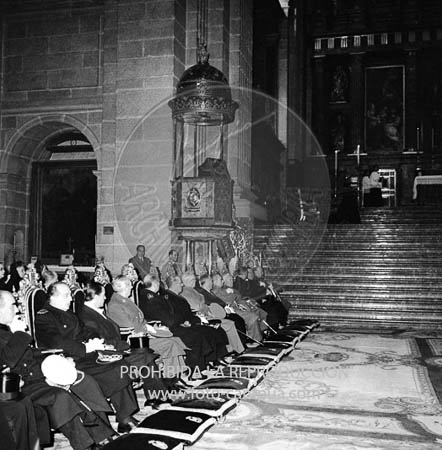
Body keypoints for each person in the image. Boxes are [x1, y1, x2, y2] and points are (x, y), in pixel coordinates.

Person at [0, 290, 117, 449]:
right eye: (13, 305)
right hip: (19, 386)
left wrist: (58, 358)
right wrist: (19, 333)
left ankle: (103, 434)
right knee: (60, 397)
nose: (17, 309)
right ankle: (85, 445)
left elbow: (31, 353)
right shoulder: (12, 331)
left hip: (38, 374)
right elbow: (7, 360)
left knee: (84, 381)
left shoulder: (7, 329)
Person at [34, 282, 139, 434]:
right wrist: (84, 348)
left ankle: (124, 416)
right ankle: (112, 423)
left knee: (119, 364)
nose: (70, 299)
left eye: (70, 295)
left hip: (85, 356)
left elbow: (84, 330)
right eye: (66, 296)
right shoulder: (45, 316)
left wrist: (95, 339)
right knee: (113, 371)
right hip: (67, 360)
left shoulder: (69, 313)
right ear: (53, 297)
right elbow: (56, 341)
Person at [77, 281, 172, 407]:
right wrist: (126, 344)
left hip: (116, 348)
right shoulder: (86, 316)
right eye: (103, 295)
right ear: (96, 296)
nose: (105, 298)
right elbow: (101, 341)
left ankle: (155, 397)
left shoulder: (94, 311)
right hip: (106, 355)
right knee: (145, 355)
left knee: (145, 354)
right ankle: (157, 397)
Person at [138, 273, 226, 372]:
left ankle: (206, 363)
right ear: (155, 283)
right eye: (158, 282)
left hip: (173, 325)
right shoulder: (151, 299)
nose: (159, 284)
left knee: (206, 331)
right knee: (196, 336)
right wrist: (182, 322)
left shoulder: (153, 297)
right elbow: (167, 319)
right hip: (167, 329)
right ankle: (194, 369)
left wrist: (185, 321)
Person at [107, 275, 187, 378]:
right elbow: (129, 327)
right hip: (134, 341)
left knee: (174, 339)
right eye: (129, 285)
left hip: (142, 335)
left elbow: (141, 319)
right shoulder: (115, 305)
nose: (131, 287)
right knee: (170, 343)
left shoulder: (126, 301)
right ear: (122, 287)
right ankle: (173, 377)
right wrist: (149, 329)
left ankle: (178, 374)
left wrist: (155, 327)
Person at [181, 272, 244, 354]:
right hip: (202, 318)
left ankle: (237, 349)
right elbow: (197, 307)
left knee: (230, 323)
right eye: (193, 280)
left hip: (207, 314)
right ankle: (234, 350)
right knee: (227, 324)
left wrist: (206, 307)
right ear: (188, 281)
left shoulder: (193, 290)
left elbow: (202, 304)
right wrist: (206, 307)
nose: (195, 281)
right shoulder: (186, 292)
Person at [212, 272, 263, 341]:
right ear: (215, 281)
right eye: (221, 280)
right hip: (232, 310)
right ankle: (254, 339)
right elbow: (227, 300)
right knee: (252, 316)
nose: (223, 281)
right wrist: (233, 296)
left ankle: (258, 336)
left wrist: (233, 295)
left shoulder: (221, 289)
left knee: (255, 311)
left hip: (237, 307)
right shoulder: (215, 291)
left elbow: (238, 295)